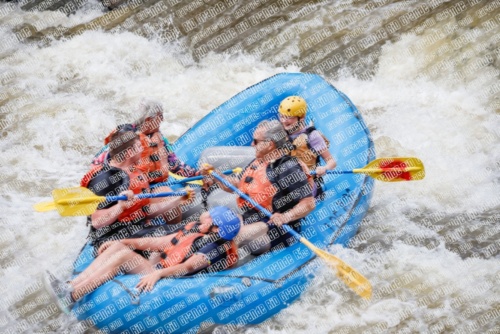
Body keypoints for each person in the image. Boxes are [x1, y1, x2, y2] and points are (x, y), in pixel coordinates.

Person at [45, 206, 241, 313]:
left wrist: (158, 273)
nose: (205, 218)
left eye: (211, 220)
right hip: (160, 268)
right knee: (119, 247)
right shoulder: (198, 231)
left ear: (217, 229)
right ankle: (71, 285)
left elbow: (188, 267)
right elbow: (160, 243)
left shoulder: (213, 249)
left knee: (122, 257)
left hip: (170, 281)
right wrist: (123, 240)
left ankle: (72, 296)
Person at [201, 120, 315, 256]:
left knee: (229, 234)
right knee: (206, 217)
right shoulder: (259, 160)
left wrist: (285, 217)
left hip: (274, 229)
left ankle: (208, 260)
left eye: (256, 141)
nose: (251, 144)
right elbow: (237, 186)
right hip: (249, 217)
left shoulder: (287, 167)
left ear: (269, 144)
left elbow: (309, 203)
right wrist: (217, 176)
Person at [81, 129, 194, 247]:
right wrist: (120, 207)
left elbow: (143, 210)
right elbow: (97, 222)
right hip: (116, 236)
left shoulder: (132, 169)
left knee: (185, 229)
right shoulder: (105, 179)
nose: (143, 149)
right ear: (130, 152)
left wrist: (177, 200)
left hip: (137, 225)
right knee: (183, 237)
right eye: (139, 146)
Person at [92, 100, 199, 183]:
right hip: (114, 180)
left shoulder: (159, 138)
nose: (163, 119)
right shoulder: (125, 133)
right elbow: (109, 159)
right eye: (160, 116)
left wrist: (196, 174)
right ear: (149, 120)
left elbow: (174, 164)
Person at [278, 96, 337, 196]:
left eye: (288, 117)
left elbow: (331, 161)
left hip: (306, 185)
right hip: (284, 182)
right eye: (282, 116)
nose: (283, 121)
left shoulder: (312, 136)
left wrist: (324, 168)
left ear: (301, 117)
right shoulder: (280, 132)